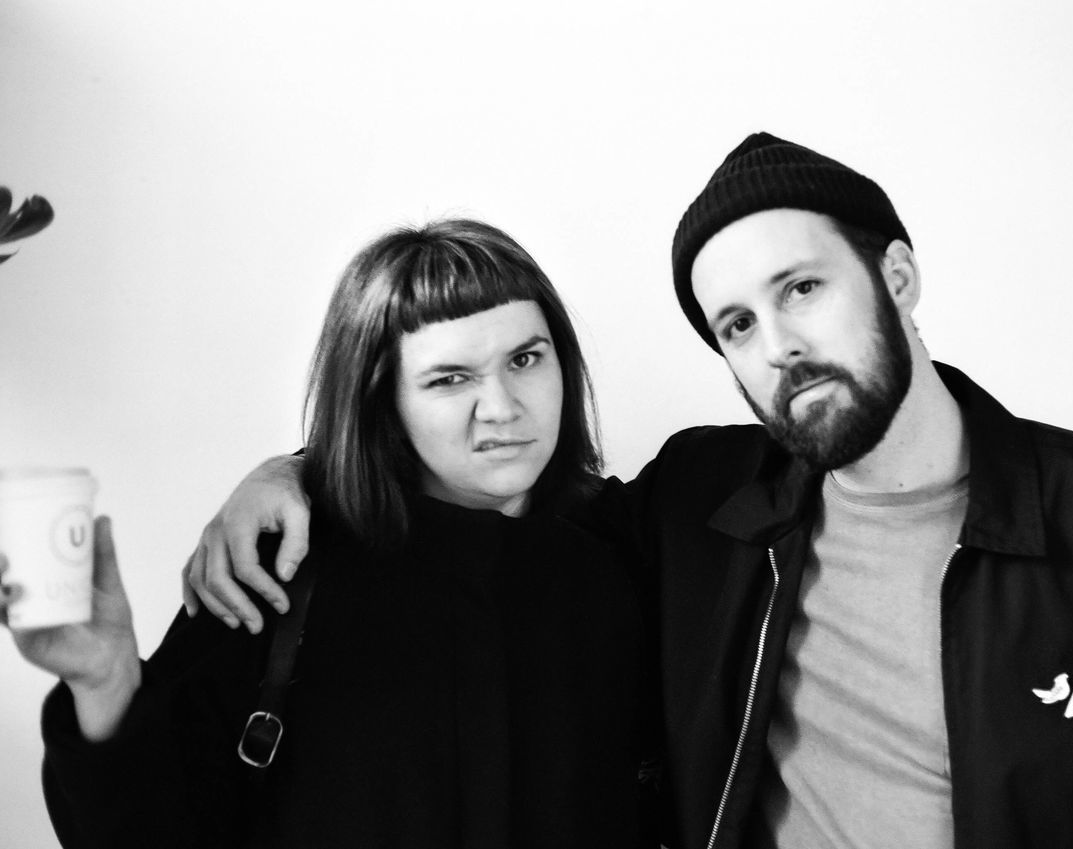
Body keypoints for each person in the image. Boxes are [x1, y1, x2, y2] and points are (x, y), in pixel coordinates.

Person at [185, 134, 1073, 848]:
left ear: (895, 280)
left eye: (800, 289)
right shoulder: (698, 503)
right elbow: (494, 504)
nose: (778, 346)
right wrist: (295, 474)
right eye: (736, 326)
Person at [2, 219, 656, 848]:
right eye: (449, 378)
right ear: (381, 397)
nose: (505, 405)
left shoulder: (618, 562)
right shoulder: (277, 568)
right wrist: (105, 685)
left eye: (526, 358)